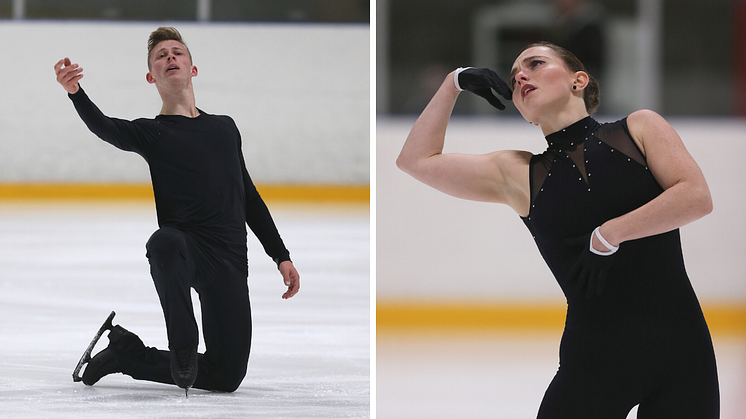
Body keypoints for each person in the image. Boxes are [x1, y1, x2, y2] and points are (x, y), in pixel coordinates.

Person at [397, 42, 719, 418]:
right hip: (595, 361)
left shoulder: (640, 128)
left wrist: (609, 234)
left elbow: (696, 196)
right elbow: (414, 161)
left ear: (578, 80)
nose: (520, 75)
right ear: (522, 112)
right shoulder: (517, 173)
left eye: (536, 64)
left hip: (682, 351)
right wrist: (454, 83)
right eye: (515, 75)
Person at [54, 27, 300, 394]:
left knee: (227, 375)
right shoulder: (152, 133)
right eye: (161, 56)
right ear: (152, 76)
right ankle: (182, 343)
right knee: (163, 242)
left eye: (177, 52)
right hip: (185, 248)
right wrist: (76, 94)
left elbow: (248, 196)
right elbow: (105, 127)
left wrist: (280, 255)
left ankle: (124, 354)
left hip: (229, 257)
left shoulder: (225, 128)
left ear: (192, 68)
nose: (170, 57)